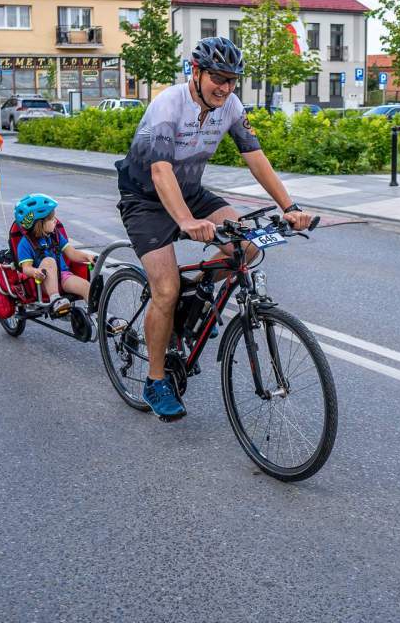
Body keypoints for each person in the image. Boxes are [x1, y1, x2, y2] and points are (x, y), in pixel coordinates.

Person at [114, 36, 313, 420]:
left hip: (190, 191)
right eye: (217, 78)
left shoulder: (231, 107)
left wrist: (290, 206)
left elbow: (255, 157)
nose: (224, 87)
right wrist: (186, 222)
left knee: (248, 248)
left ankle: (194, 298)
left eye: (232, 80)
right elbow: (160, 170)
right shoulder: (168, 105)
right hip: (145, 199)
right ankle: (156, 382)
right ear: (196, 71)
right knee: (166, 288)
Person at [13, 193, 95, 316]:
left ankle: (101, 317)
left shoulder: (55, 236)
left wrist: (87, 257)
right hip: (43, 282)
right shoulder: (25, 244)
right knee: (49, 261)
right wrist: (35, 272)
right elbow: (26, 268)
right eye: (51, 219)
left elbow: (71, 253)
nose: (55, 221)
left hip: (63, 276)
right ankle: (56, 300)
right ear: (39, 223)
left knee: (86, 286)